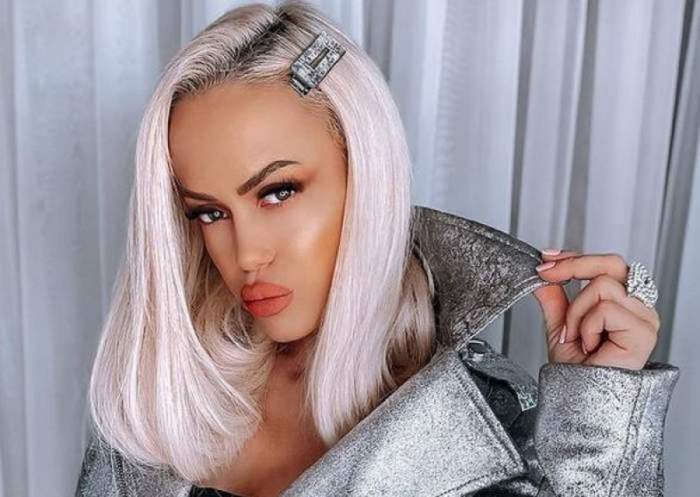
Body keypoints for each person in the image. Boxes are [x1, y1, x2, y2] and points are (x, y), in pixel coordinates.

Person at [74, 1, 680, 496]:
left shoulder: (476, 416)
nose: (247, 254)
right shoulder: (164, 389)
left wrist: (597, 417)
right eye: (209, 212)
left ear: (365, 177)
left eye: (278, 192)